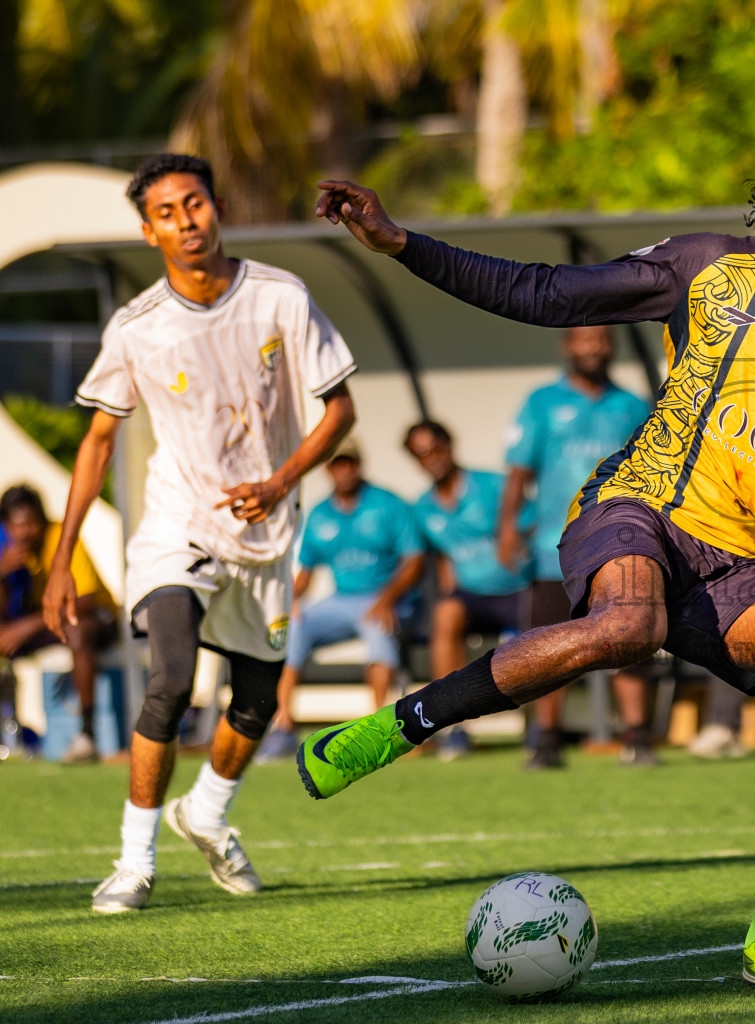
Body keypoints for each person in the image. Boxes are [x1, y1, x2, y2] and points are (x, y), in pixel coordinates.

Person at [301, 125, 755, 998]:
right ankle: (399, 727)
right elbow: (546, 294)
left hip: (732, 558)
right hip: (634, 505)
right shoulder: (711, 268)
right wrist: (400, 245)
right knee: (628, 624)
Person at [43, 154, 356, 913]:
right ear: (148, 231)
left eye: (196, 204)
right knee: (172, 677)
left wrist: (280, 483)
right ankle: (133, 863)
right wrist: (61, 564)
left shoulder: (282, 296)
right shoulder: (137, 328)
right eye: (168, 212)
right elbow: (96, 443)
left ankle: (207, 815)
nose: (187, 222)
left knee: (255, 701)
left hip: (268, 531)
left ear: (217, 208)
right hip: (180, 522)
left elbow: (340, 411)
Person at [501, 324, 656, 768]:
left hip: (621, 543)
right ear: (567, 346)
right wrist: (508, 528)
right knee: (548, 645)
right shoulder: (541, 402)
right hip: (554, 546)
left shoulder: (632, 405)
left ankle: (638, 737)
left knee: (630, 635)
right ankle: (547, 739)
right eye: (585, 338)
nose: (594, 346)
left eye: (603, 338)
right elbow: (518, 471)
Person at [254, 441, 424, 763]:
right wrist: (287, 603)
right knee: (293, 628)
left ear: (360, 465)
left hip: (387, 599)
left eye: (350, 463)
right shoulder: (319, 513)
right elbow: (306, 571)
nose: (344, 470)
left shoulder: (388, 504)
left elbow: (414, 561)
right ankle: (283, 728)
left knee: (376, 625)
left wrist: (386, 599)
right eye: (338, 463)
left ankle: (379, 729)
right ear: (328, 469)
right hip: (342, 599)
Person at [407, 420, 528, 760]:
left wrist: (514, 540)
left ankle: (541, 728)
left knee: (544, 623)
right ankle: (455, 728)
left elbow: (532, 522)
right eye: (421, 454)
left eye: (435, 449)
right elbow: (441, 553)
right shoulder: (423, 507)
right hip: (472, 596)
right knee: (444, 615)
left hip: (517, 588)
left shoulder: (493, 485)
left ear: (450, 446)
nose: (431, 458)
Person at [0, 484, 115, 763]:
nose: (24, 532)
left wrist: (25, 626)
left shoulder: (61, 538)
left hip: (96, 617)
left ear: (41, 519)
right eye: (16, 526)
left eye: (30, 523)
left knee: (76, 629)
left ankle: (87, 735)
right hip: (50, 623)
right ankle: (9, 733)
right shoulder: (11, 552)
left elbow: (84, 601)